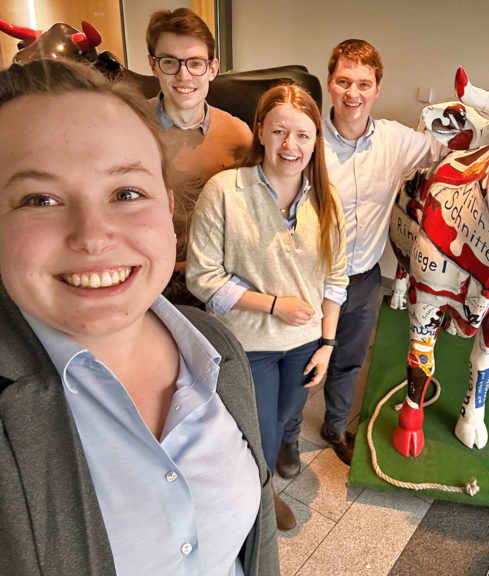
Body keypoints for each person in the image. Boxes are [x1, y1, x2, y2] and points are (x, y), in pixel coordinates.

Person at [0, 59, 279, 575]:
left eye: (127, 193)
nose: (93, 236)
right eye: (40, 198)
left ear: (168, 206)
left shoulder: (216, 346)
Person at [186, 84, 347, 531]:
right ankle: (259, 499)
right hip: (245, 341)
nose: (290, 146)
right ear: (260, 131)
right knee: (258, 429)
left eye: (303, 135)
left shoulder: (325, 200)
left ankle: (261, 483)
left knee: (283, 417)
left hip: (304, 341)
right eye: (279, 132)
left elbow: (336, 281)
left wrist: (328, 343)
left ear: (316, 139)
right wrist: (273, 305)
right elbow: (203, 278)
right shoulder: (224, 191)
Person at [315, 39, 444, 465]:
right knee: (296, 359)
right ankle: (283, 438)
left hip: (365, 279)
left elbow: (446, 151)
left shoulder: (394, 140)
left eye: (363, 84)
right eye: (344, 81)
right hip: (310, 277)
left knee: (349, 362)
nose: (353, 93)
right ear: (329, 83)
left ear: (377, 89)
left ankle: (335, 426)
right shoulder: (308, 138)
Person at [146, 8, 252, 305]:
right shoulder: (128, 127)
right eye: (170, 62)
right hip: (147, 279)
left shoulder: (238, 135)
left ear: (212, 68)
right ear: (153, 66)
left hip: (213, 280)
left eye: (195, 63)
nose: (184, 75)